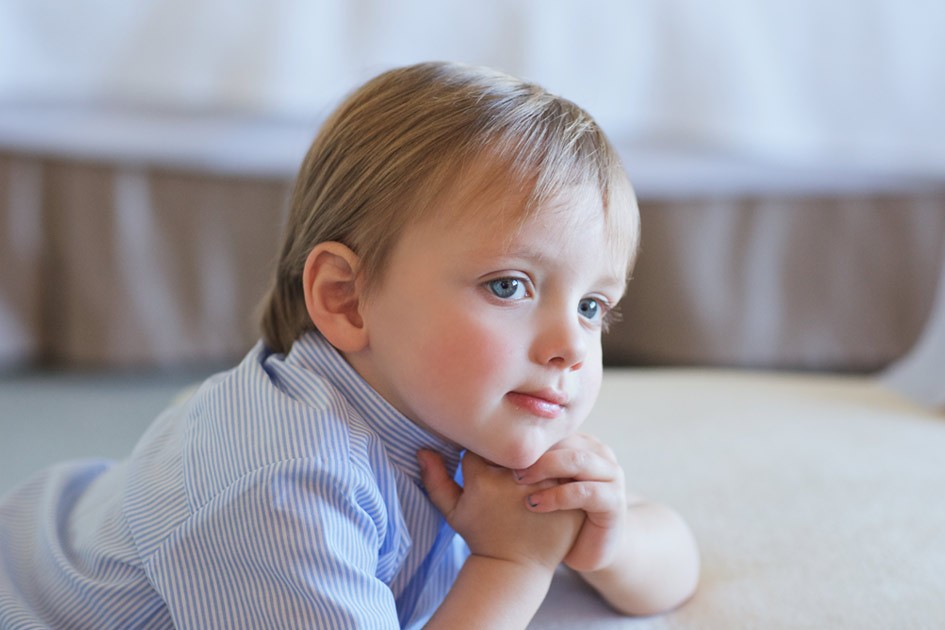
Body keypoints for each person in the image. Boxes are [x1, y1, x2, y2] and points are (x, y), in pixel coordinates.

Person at [0, 61, 699, 628]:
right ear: (344, 298)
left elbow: (674, 564)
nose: (569, 346)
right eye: (509, 287)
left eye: (591, 306)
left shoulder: (465, 398)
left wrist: (607, 541)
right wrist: (511, 568)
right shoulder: (284, 486)